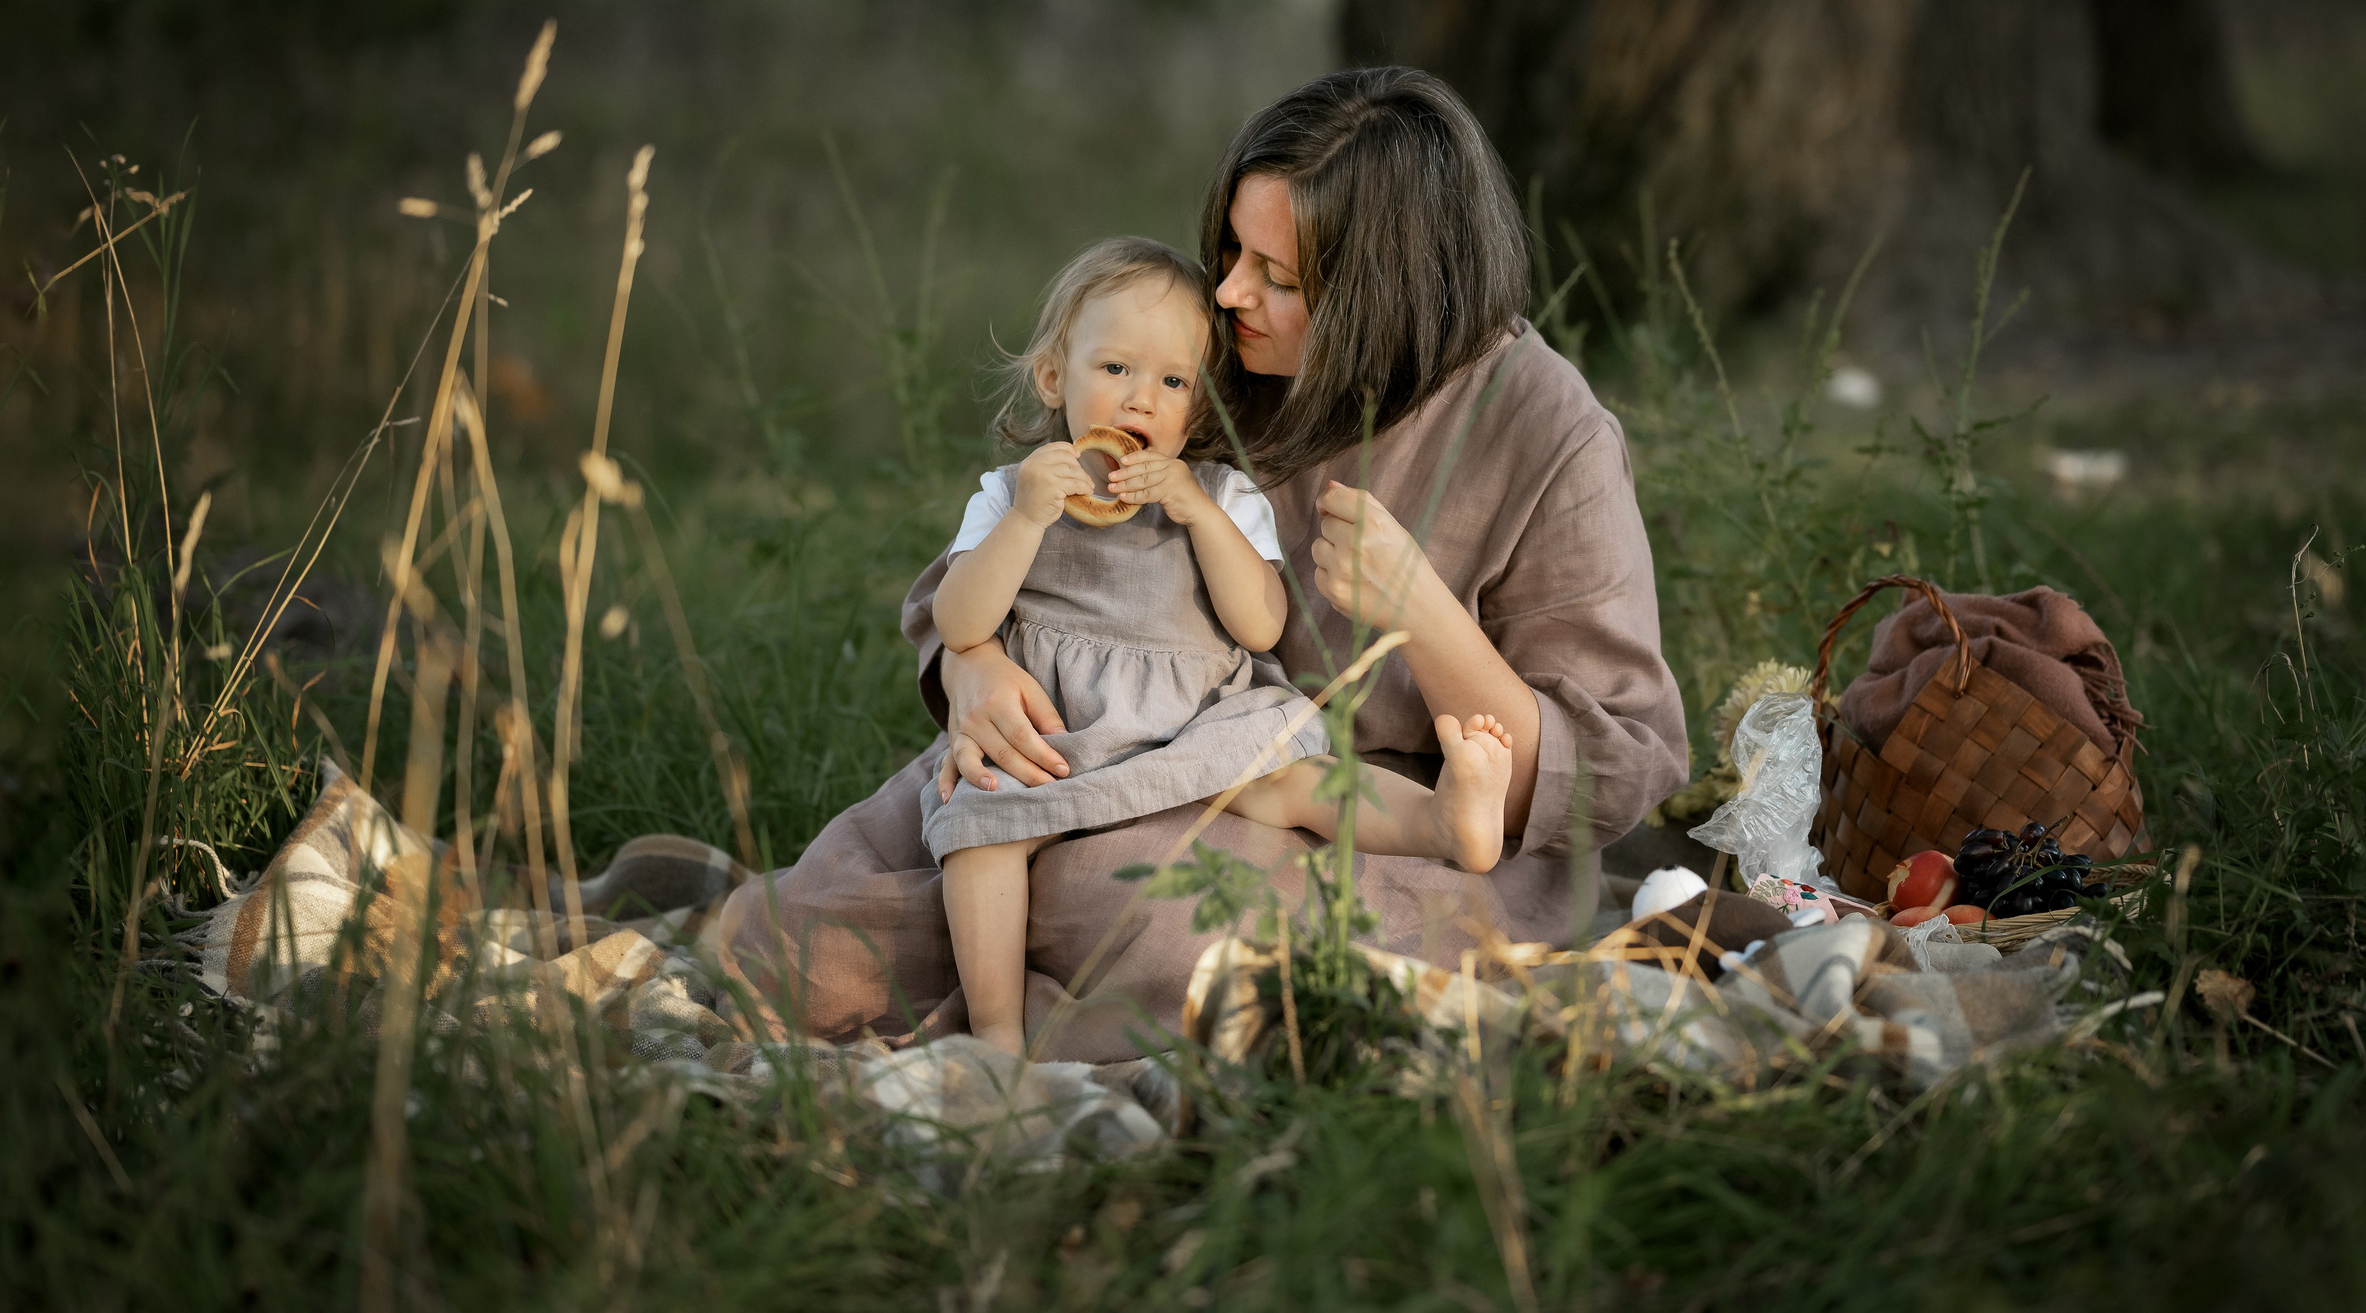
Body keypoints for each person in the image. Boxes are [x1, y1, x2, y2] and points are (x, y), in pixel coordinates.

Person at [715, 66, 1690, 1064]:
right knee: (805, 949)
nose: (1229, 293)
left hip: (1372, 821)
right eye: (1231, 250)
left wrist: (1421, 616)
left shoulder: (1547, 433)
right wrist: (973, 671)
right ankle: (1056, 1007)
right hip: (1108, 741)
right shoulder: (1211, 357)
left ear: (1384, 293)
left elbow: (1607, 768)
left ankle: (1046, 1025)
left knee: (1140, 915)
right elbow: (1007, 542)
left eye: (1278, 275)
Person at [923, 236, 1520, 1053]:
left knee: (1298, 781)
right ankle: (995, 1029)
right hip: (1062, 731)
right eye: (1116, 370)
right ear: (1054, 376)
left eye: (1172, 383)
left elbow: (1262, 625)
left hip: (1200, 712)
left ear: (1197, 410)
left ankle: (1445, 822)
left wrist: (1198, 516)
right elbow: (959, 622)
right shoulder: (1009, 495)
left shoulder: (1223, 494)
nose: (1141, 401)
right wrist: (1028, 518)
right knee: (978, 830)